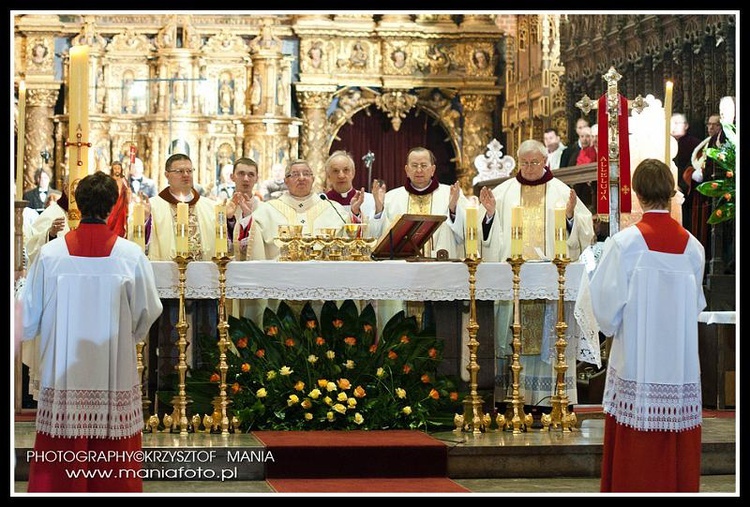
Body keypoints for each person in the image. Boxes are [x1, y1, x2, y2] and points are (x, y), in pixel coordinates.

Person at [19, 171, 163, 492]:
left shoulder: (51, 254)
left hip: (63, 371)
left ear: (76, 205)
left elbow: (28, 316)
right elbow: (147, 310)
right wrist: (128, 338)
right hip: (113, 368)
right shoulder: (130, 255)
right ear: (113, 206)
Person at [589, 158, 705, 492]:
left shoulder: (626, 245)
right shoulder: (694, 249)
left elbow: (606, 312)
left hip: (637, 369)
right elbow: (696, 305)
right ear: (671, 193)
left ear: (637, 194)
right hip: (680, 370)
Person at [479, 139, 594, 408]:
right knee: (512, 336)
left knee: (550, 339)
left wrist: (568, 218)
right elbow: (489, 236)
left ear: (545, 162)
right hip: (513, 281)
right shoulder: (504, 192)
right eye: (525, 162)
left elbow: (583, 232)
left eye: (535, 162)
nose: (529, 168)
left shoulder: (562, 192)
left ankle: (550, 399)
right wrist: (491, 214)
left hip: (549, 282)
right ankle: (512, 399)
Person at [246, 159, 363, 261]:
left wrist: (355, 213)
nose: (301, 178)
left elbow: (351, 242)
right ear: (286, 181)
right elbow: (253, 245)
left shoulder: (334, 209)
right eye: (295, 174)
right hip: (280, 278)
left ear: (313, 179)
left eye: (306, 174)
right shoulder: (267, 211)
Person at [368, 146, 467, 259]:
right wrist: (379, 211)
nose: (419, 170)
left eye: (424, 165)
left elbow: (465, 232)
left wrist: (453, 210)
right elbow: (377, 236)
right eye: (414, 166)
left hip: (441, 264)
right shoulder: (391, 198)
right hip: (403, 266)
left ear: (433, 170)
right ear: (407, 170)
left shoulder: (450, 194)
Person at [133, 153, 217, 260]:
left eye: (189, 171)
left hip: (204, 273)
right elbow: (137, 244)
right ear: (167, 175)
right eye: (180, 171)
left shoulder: (209, 207)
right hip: (166, 273)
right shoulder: (152, 207)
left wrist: (229, 219)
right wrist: (144, 219)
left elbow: (225, 241)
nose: (186, 175)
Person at [324, 150, 377, 221]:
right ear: (328, 176)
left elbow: (374, 230)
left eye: (346, 170)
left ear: (353, 173)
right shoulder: (321, 203)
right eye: (335, 171)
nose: (341, 176)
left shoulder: (369, 200)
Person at [670, 112, 702, 230]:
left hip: (686, 192)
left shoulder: (695, 144)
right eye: (671, 123)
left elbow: (693, 166)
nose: (673, 126)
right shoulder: (663, 142)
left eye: (677, 123)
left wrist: (680, 186)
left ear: (686, 125)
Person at [226, 157, 262, 258]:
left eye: (251, 174)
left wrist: (248, 216)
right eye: (241, 173)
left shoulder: (264, 210)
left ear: (256, 179)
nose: (246, 179)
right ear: (232, 177)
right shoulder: (221, 208)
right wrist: (228, 219)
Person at [106, 160, 131, 238]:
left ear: (121, 170)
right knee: (109, 224)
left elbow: (128, 197)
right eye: (115, 168)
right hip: (111, 207)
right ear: (112, 169)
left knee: (120, 228)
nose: (117, 170)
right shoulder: (109, 180)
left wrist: (128, 193)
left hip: (121, 208)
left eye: (118, 168)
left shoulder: (124, 181)